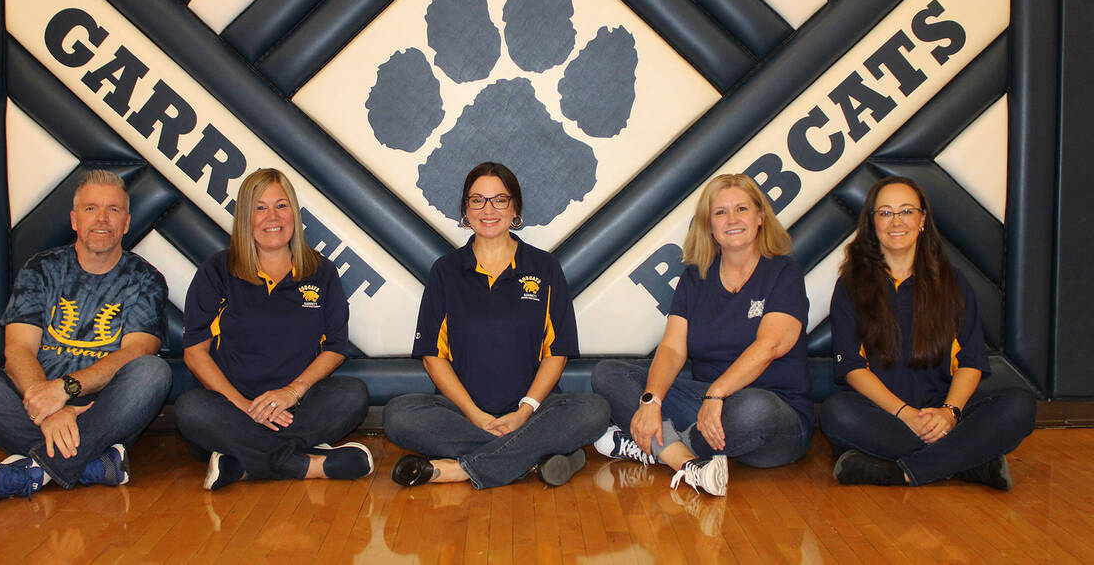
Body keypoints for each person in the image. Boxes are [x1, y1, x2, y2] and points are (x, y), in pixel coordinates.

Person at [0, 169, 171, 503]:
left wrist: (65, 390)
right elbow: (17, 349)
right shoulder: (40, 270)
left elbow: (137, 352)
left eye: (114, 210)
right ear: (75, 220)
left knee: (153, 372)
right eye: (91, 209)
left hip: (101, 411)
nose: (102, 219)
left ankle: (31, 472)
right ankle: (92, 464)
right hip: (32, 405)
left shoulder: (145, 279)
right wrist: (44, 404)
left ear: (126, 222)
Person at [383, 162, 609, 489]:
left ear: (515, 207)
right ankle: (532, 459)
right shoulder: (446, 271)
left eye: (500, 200)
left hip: (533, 412)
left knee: (594, 409)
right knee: (397, 415)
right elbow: (433, 357)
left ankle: (462, 469)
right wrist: (476, 416)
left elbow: (557, 353)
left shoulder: (544, 267)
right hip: (462, 414)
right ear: (465, 209)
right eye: (477, 200)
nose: (488, 209)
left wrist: (524, 413)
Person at [591, 173, 811, 496]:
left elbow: (770, 345)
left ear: (760, 217)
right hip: (704, 403)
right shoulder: (695, 278)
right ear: (709, 225)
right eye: (720, 212)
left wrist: (718, 393)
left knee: (754, 408)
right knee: (607, 373)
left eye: (742, 209)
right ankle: (686, 463)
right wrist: (651, 401)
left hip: (772, 415)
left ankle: (656, 446)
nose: (732, 220)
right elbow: (672, 349)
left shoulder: (783, 273)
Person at [819, 177, 1035, 489]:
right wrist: (904, 413)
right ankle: (969, 463)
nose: (896, 221)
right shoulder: (851, 285)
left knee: (1020, 405)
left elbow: (972, 362)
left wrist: (949, 414)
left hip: (943, 409)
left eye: (906, 211)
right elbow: (852, 367)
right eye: (885, 213)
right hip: (885, 414)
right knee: (837, 413)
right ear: (871, 222)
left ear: (922, 220)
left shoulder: (953, 282)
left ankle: (900, 472)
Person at [174, 168, 371, 490]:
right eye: (259, 208)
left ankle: (242, 463)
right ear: (244, 218)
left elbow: (336, 347)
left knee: (352, 394)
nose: (272, 217)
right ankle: (302, 462)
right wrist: (244, 407)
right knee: (190, 409)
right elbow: (195, 353)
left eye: (281, 205)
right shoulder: (216, 270)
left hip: (296, 408)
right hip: (232, 410)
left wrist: (291, 392)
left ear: (294, 212)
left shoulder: (321, 271)